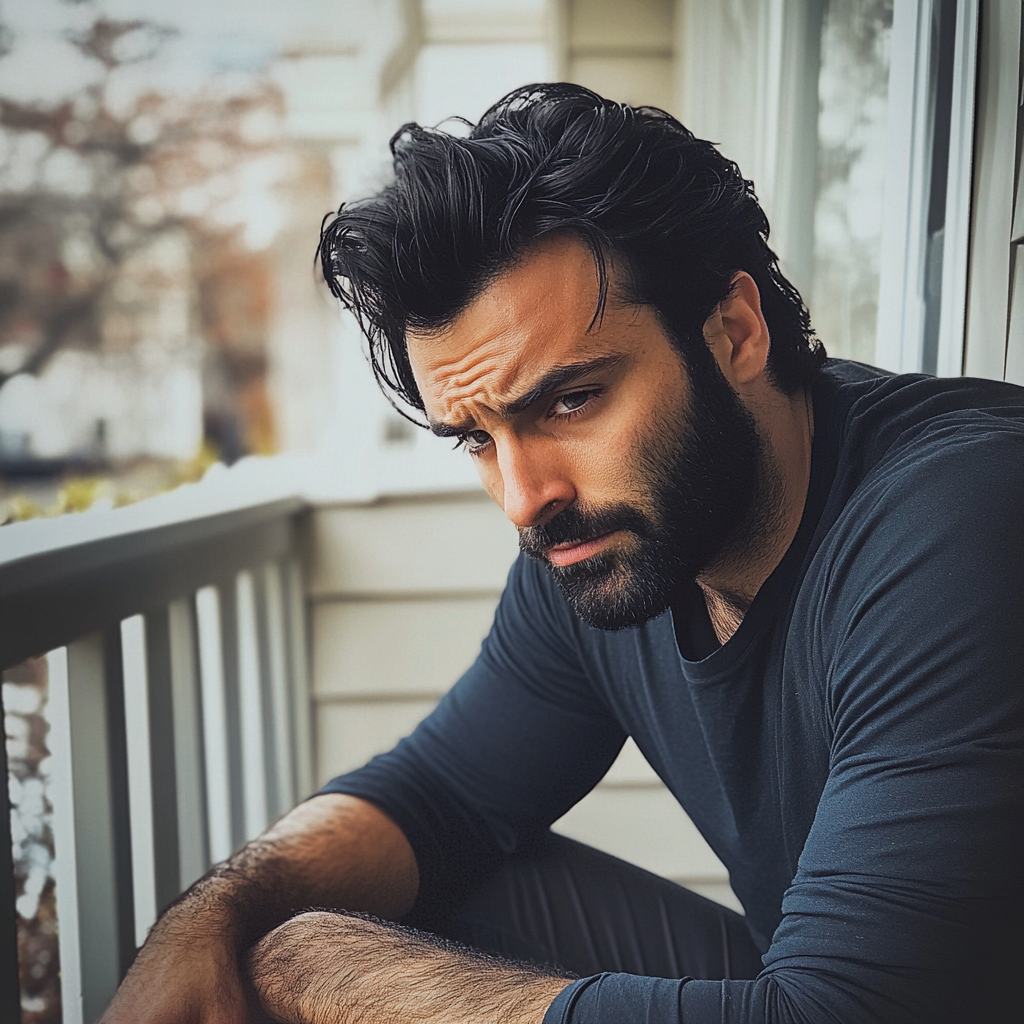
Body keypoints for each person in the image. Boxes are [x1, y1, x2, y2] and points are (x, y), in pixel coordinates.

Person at [103, 85, 1023, 1024]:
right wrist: (205, 921)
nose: (522, 497)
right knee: (311, 905)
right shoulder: (607, 539)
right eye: (475, 437)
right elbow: (438, 794)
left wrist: (317, 970)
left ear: (735, 331)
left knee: (324, 953)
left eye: (571, 400)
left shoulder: (964, 518)